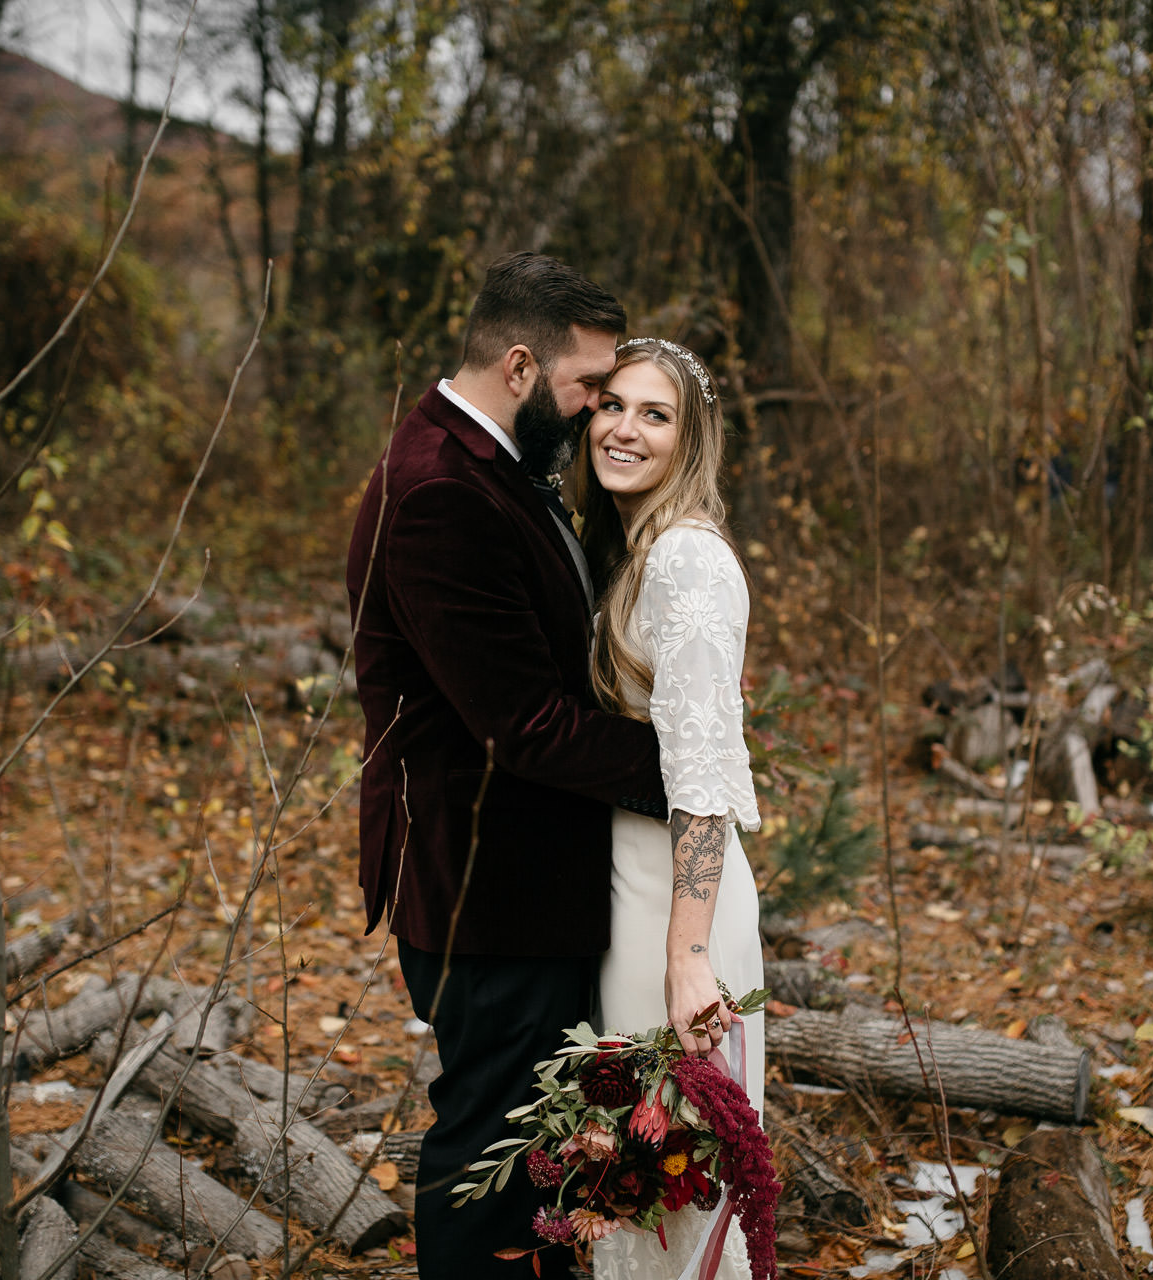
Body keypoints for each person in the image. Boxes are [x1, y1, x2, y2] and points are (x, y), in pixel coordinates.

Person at [344, 254, 672, 1280]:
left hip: (520, 878)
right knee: (491, 1155)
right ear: (521, 366)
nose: (597, 411)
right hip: (486, 887)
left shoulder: (489, 464)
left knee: (536, 1151)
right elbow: (525, 724)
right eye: (588, 386)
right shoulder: (442, 491)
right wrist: (688, 762)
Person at [576, 337, 765, 1280]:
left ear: (690, 441)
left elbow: (702, 777)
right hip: (633, 891)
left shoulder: (687, 559)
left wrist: (687, 959)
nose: (625, 429)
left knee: (669, 1183)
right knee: (633, 1179)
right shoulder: (635, 550)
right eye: (612, 405)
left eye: (656, 415)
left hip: (676, 911)